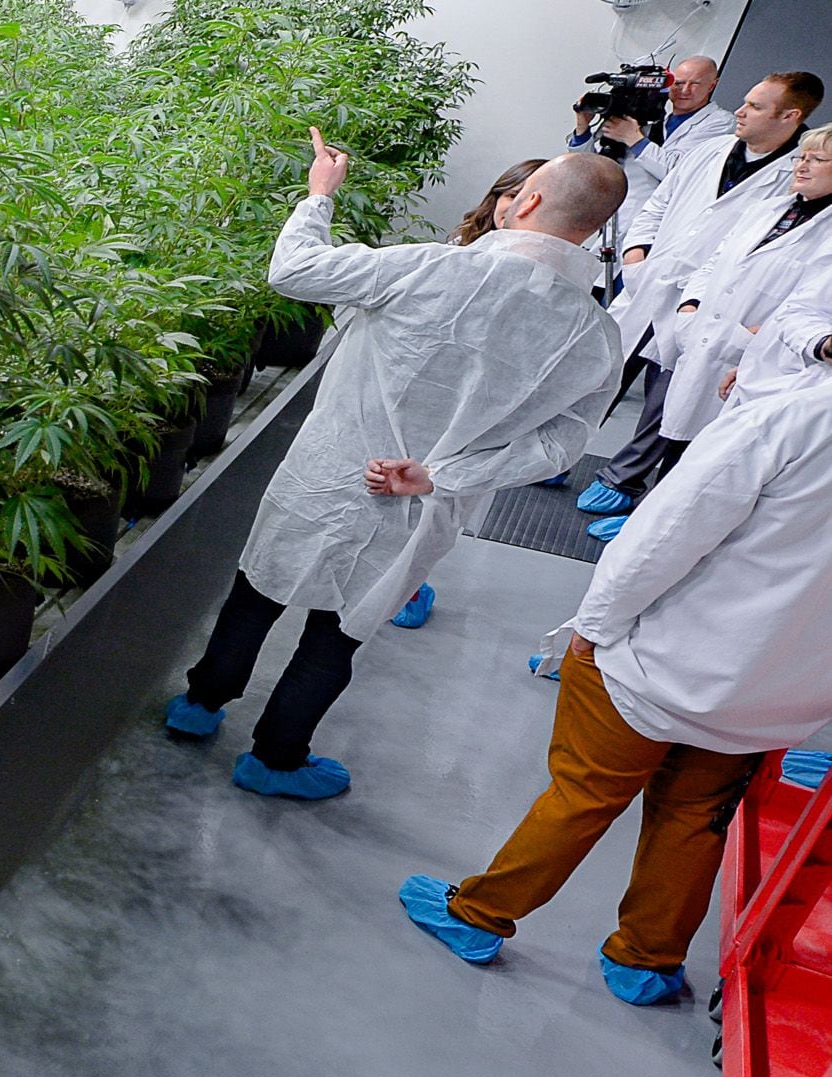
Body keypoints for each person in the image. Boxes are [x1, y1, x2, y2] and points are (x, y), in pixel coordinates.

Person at [164, 136, 626, 799]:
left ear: (526, 200)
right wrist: (444, 474)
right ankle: (275, 757)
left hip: (331, 465)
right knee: (341, 629)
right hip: (420, 503)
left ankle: (200, 703)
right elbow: (563, 445)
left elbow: (294, 270)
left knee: (261, 585)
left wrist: (320, 194)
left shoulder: (429, 267)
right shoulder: (594, 336)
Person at [402, 375, 832, 1003]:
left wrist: (595, 626)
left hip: (663, 661)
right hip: (774, 691)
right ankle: (647, 960)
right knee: (695, 817)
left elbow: (665, 535)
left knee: (585, 792)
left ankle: (477, 915)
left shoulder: (785, 421)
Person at [578, 71, 818, 517]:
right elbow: (658, 204)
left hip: (710, 304)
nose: (741, 112)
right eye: (745, 101)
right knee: (602, 373)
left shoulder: (794, 178)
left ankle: (625, 482)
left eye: (756, 106)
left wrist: (697, 300)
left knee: (671, 399)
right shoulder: (709, 151)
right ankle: (567, 455)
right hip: (653, 279)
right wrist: (636, 257)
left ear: (790, 116)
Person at [388, 157, 557, 626]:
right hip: (422, 389)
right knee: (392, 489)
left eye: (527, 200)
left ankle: (410, 583)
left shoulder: (547, 277)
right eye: (509, 196)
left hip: (478, 409)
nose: (515, 208)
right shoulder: (458, 248)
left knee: (439, 503)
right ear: (496, 199)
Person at [567, 55, 726, 207]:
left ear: (712, 85)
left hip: (658, 219)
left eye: (695, 84)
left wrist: (634, 139)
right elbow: (588, 167)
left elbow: (679, 173)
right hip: (616, 213)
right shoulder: (649, 122)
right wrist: (583, 127)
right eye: (678, 83)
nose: (685, 90)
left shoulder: (719, 122)